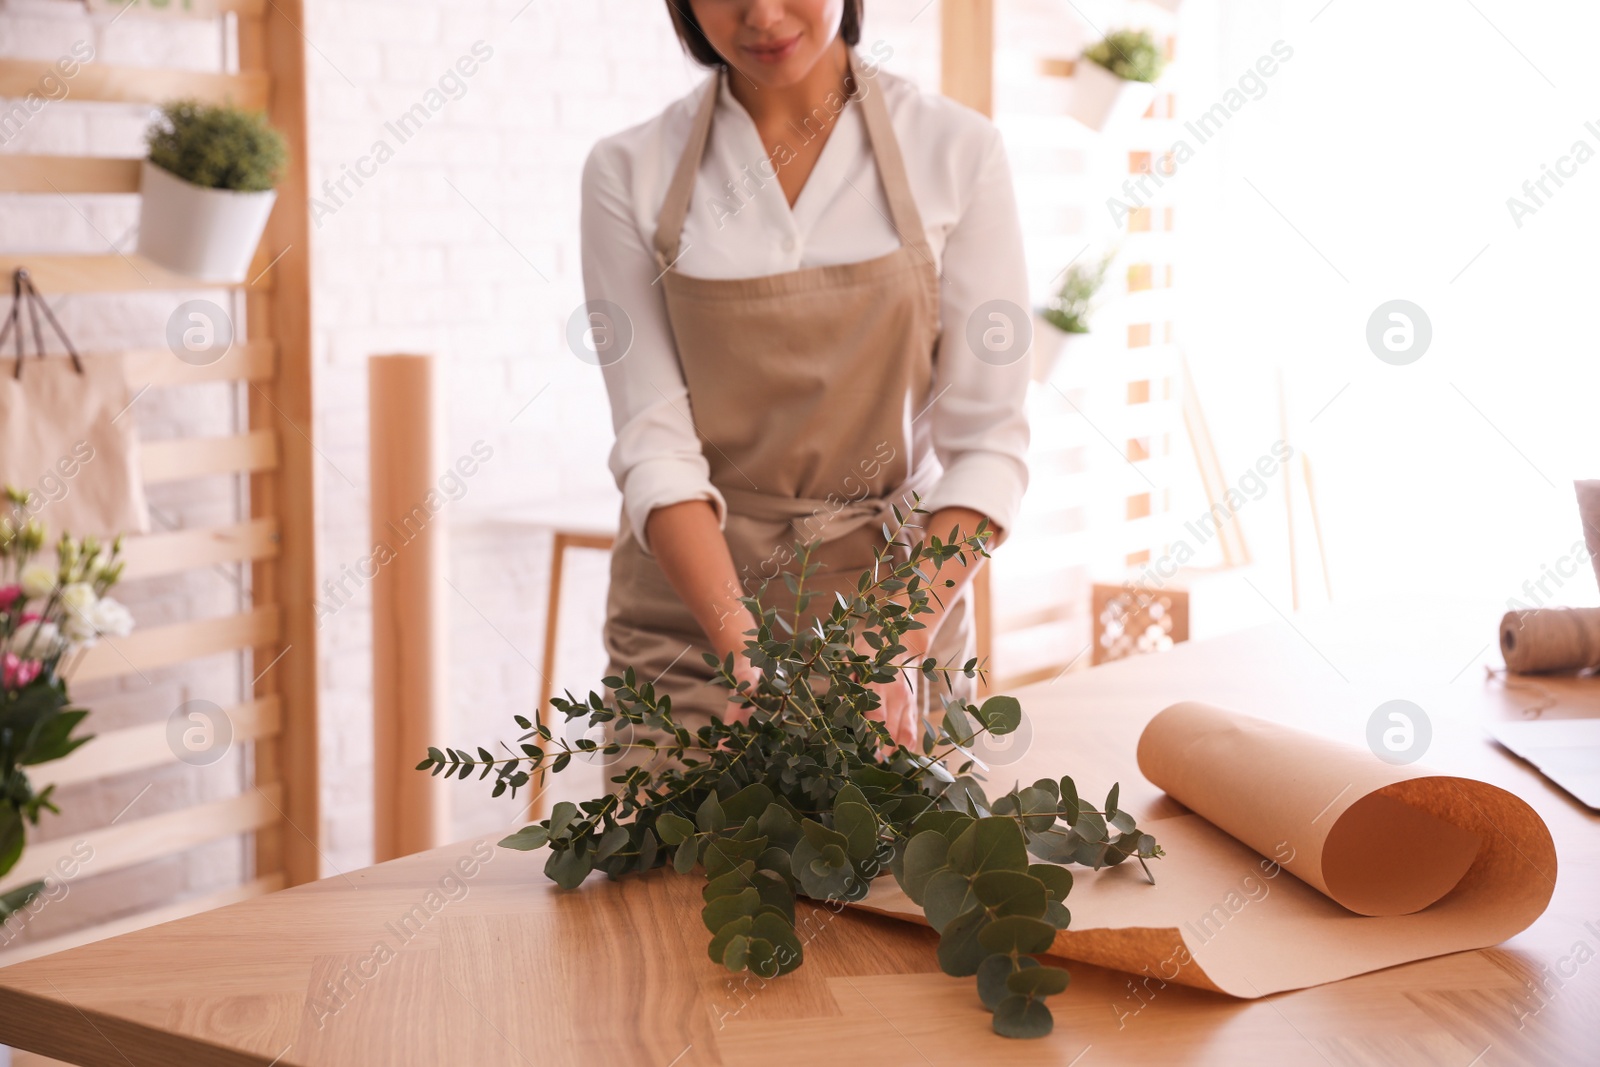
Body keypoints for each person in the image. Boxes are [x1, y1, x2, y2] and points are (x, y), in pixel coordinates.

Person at [579, 0, 1029, 759]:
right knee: (670, 874)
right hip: (690, 636)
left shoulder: (956, 151)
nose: (760, 13)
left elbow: (988, 446)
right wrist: (743, 651)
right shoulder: (628, 171)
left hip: (895, 620)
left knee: (911, 875)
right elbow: (654, 446)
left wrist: (894, 643)